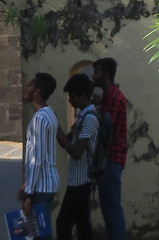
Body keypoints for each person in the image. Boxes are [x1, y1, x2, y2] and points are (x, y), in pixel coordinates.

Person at [55, 73, 99, 240]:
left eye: (72, 96)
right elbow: (65, 141)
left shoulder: (89, 119)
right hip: (79, 179)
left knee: (63, 224)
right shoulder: (83, 117)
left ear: (82, 96)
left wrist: (57, 130)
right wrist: (57, 129)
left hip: (81, 180)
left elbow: (76, 152)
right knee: (82, 226)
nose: (70, 101)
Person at [92, 58, 126, 240]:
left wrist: (97, 110)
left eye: (96, 72)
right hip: (111, 159)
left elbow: (106, 131)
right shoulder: (109, 97)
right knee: (109, 210)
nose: (93, 76)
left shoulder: (112, 98)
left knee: (112, 211)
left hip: (111, 159)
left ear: (106, 74)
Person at [18, 73, 59, 218]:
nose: (26, 89)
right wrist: (27, 184)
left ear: (36, 91)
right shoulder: (49, 114)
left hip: (42, 187)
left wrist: (29, 193)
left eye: (30, 85)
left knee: (39, 229)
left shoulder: (39, 119)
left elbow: (37, 159)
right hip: (45, 184)